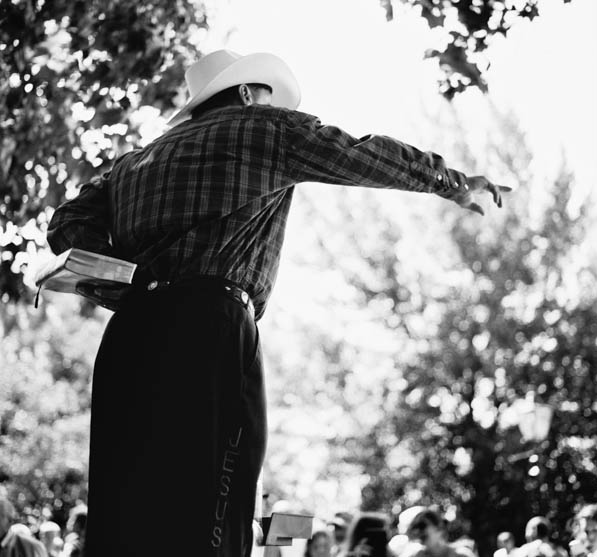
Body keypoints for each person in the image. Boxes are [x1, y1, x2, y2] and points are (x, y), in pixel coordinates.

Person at [45, 49, 511, 557]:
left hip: (130, 335)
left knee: (126, 508)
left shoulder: (131, 164)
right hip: (209, 323)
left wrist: (119, 269)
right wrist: (455, 184)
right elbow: (365, 154)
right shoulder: (260, 128)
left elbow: (66, 222)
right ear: (246, 94)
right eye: (267, 96)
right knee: (214, 505)